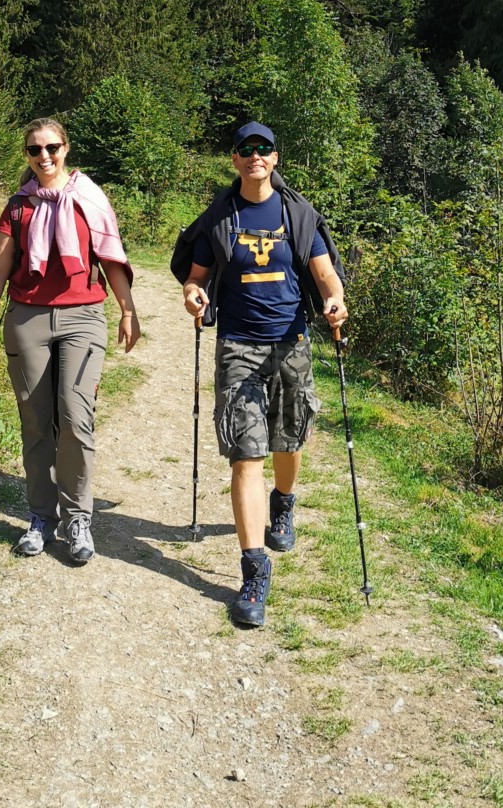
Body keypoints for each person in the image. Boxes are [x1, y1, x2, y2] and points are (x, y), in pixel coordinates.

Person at [170, 122, 347, 628]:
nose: (255, 156)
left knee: (288, 441)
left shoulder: (298, 214)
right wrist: (192, 295)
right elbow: (196, 277)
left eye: (263, 149)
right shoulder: (220, 217)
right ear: (235, 159)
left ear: (274, 157)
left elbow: (325, 274)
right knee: (246, 454)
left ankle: (283, 502)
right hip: (238, 347)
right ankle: (253, 571)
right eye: (245, 149)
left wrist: (335, 299)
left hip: (291, 344)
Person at [0, 117, 140, 563]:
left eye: (51, 147)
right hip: (26, 318)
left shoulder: (89, 198)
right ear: (27, 155)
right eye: (35, 150)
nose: (44, 156)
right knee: (35, 422)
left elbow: (110, 258)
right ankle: (41, 517)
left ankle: (77, 518)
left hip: (82, 318)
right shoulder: (18, 207)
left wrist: (127, 310)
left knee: (75, 417)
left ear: (66, 148)